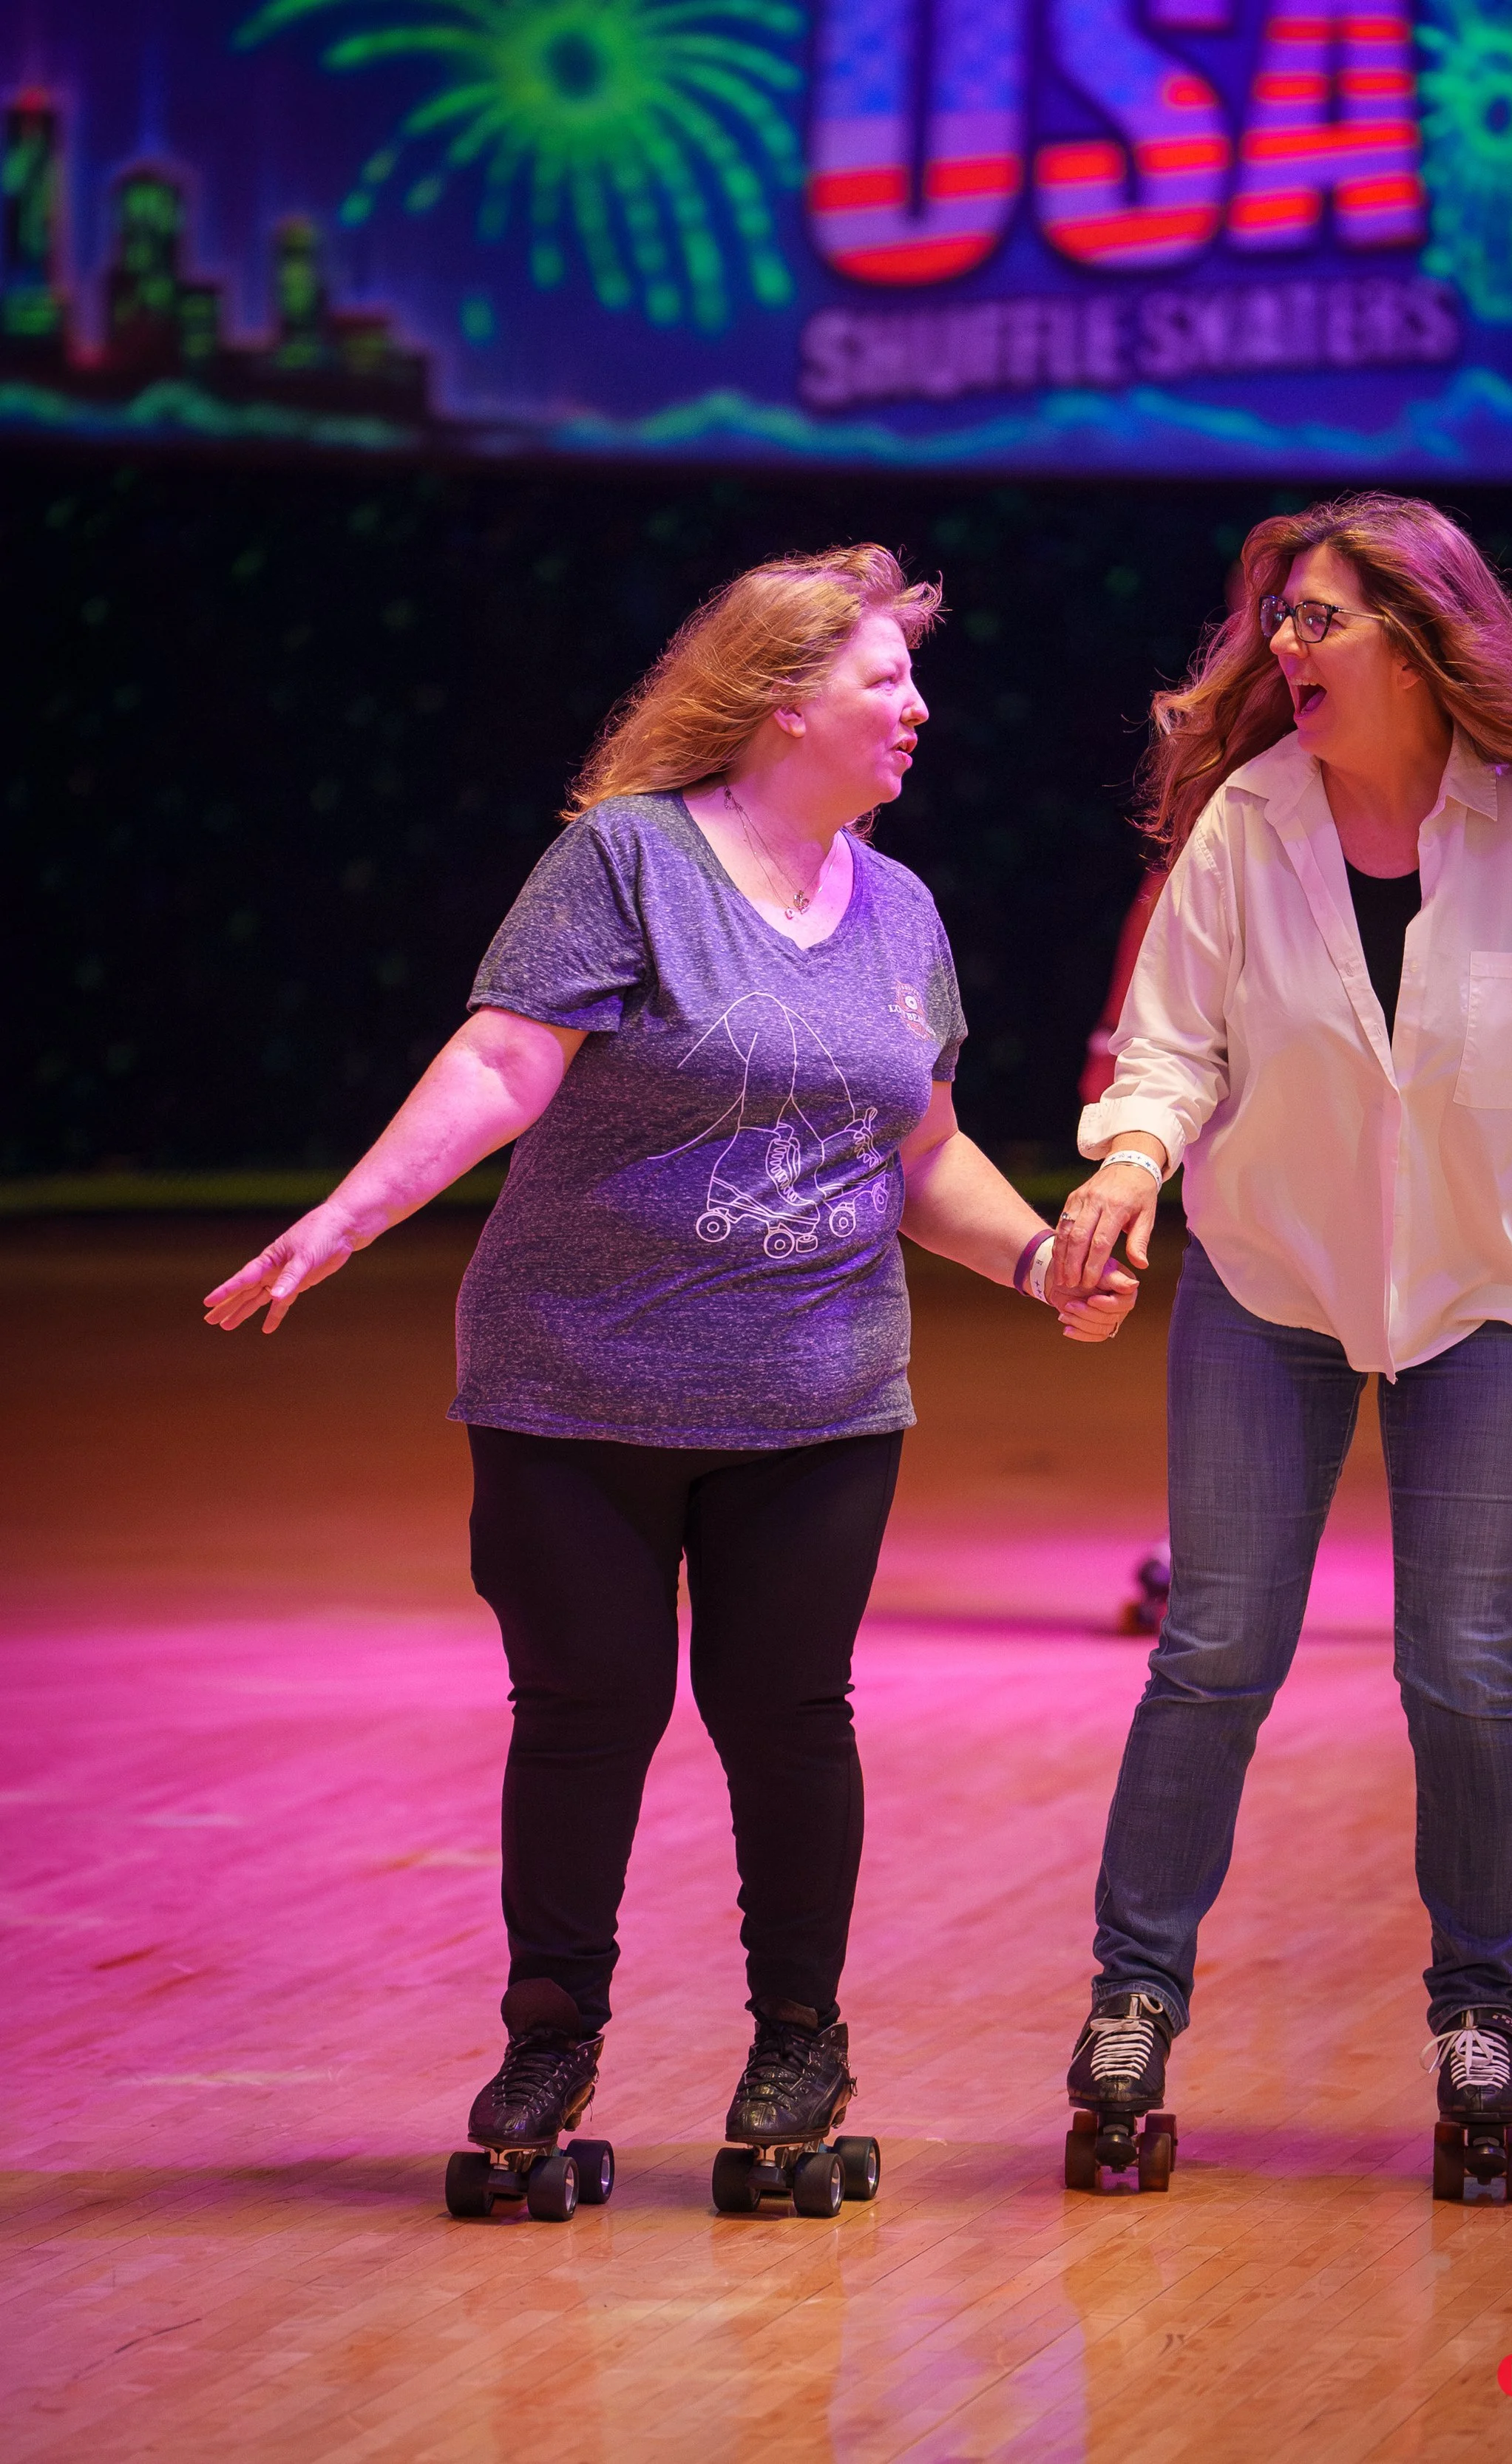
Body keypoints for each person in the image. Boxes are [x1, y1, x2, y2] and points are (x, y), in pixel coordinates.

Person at [204, 545, 1136, 2202]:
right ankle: (550, 2038)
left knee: (788, 1718)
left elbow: (917, 1148)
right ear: (784, 699)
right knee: (586, 1712)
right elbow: (501, 1059)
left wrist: (1035, 1258)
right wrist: (347, 1218)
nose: (916, 709)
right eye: (883, 679)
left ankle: (798, 2044)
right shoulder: (624, 861)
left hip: (817, 1397)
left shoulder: (901, 908)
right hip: (577, 1385)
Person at [1052, 492, 1512, 2173]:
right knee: (1213, 1652)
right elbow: (1174, 1048)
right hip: (1271, 1290)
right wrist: (1126, 1161)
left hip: (1484, 1296)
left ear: (1417, 639)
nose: (1282, 646)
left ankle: (1483, 2015)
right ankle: (1132, 2002)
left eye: (1316, 618)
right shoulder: (1247, 826)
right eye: (1276, 619)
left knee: (1462, 1670)